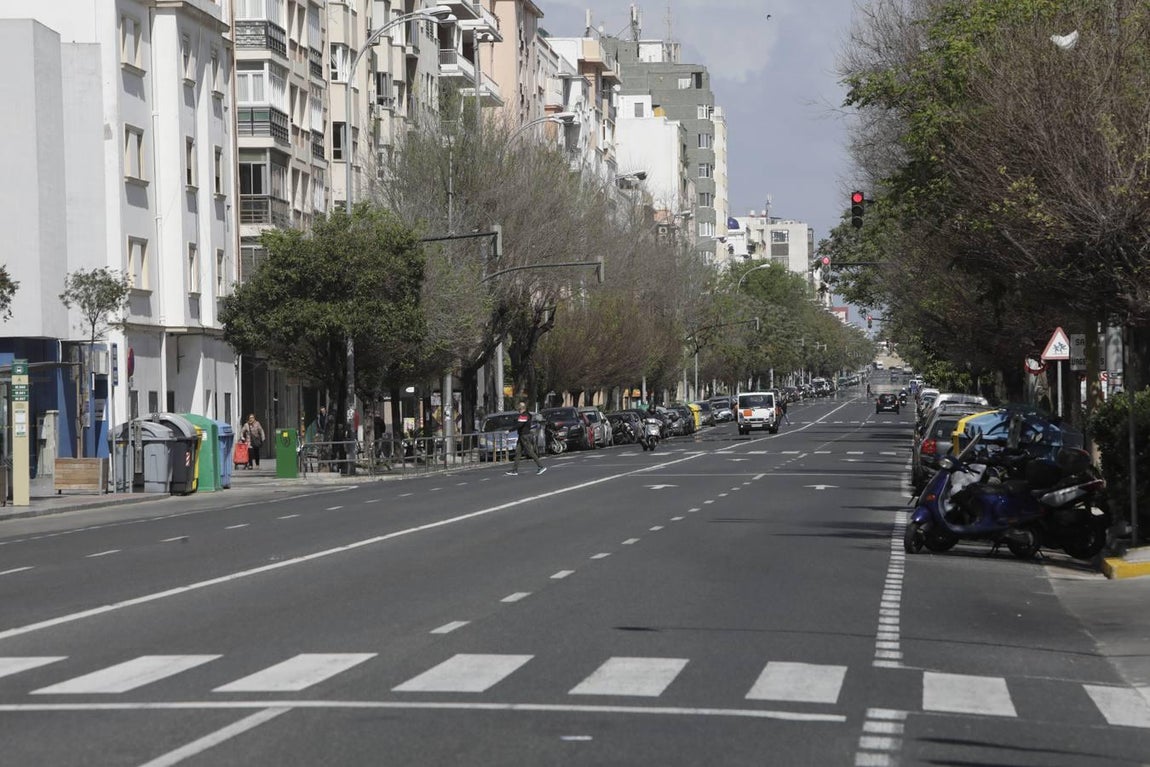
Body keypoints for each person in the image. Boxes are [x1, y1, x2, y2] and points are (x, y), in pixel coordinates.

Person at [506, 401, 545, 476]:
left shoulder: (524, 415)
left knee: (530, 452)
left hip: (524, 436)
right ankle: (514, 470)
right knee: (518, 452)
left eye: (519, 409)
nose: (518, 411)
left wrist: (509, 431)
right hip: (522, 436)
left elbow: (519, 425)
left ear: (521, 409)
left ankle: (541, 466)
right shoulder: (528, 414)